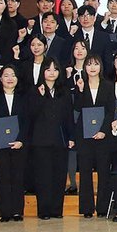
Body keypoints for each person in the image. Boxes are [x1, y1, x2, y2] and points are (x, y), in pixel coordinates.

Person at [0, 66, 31, 222]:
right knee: (2, 177)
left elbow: (27, 121)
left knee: (18, 177)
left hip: (19, 144)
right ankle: (4, 212)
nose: (10, 78)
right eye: (6, 75)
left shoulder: (24, 97)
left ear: (17, 78)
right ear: (0, 79)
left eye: (13, 75)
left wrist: (21, 140)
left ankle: (17, 211)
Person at [30, 58, 74, 219]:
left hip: (60, 139)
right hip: (41, 140)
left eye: (55, 69)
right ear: (43, 71)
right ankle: (44, 210)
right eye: (48, 69)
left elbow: (69, 116)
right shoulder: (35, 90)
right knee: (43, 176)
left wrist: (71, 136)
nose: (51, 73)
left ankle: (56, 210)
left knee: (59, 175)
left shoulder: (64, 91)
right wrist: (41, 97)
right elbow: (31, 114)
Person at [73, 54, 115, 218]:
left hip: (103, 136)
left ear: (100, 67)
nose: (92, 67)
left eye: (95, 64)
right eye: (89, 64)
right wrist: (80, 90)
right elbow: (77, 107)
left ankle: (103, 208)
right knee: (85, 172)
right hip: (84, 135)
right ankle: (87, 208)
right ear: (84, 67)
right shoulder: (81, 84)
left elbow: (111, 111)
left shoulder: (108, 85)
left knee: (104, 171)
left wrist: (103, 130)